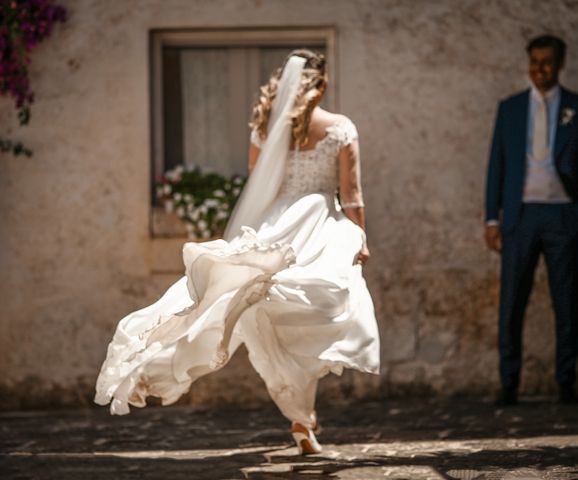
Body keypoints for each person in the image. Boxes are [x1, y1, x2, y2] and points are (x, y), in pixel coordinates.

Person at [94, 50, 380, 454]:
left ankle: (302, 416)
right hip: (319, 225)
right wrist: (361, 236)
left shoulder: (265, 127)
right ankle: (302, 416)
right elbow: (351, 195)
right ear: (323, 84)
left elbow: (257, 183)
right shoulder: (340, 129)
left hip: (276, 226)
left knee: (266, 321)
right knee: (317, 315)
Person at [484, 35, 578, 406]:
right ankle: (509, 381)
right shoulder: (510, 108)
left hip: (563, 215)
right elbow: (496, 165)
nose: (540, 69)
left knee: (566, 301)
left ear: (560, 63)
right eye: (534, 62)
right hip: (520, 216)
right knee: (511, 301)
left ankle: (566, 381)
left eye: (547, 62)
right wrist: (492, 218)